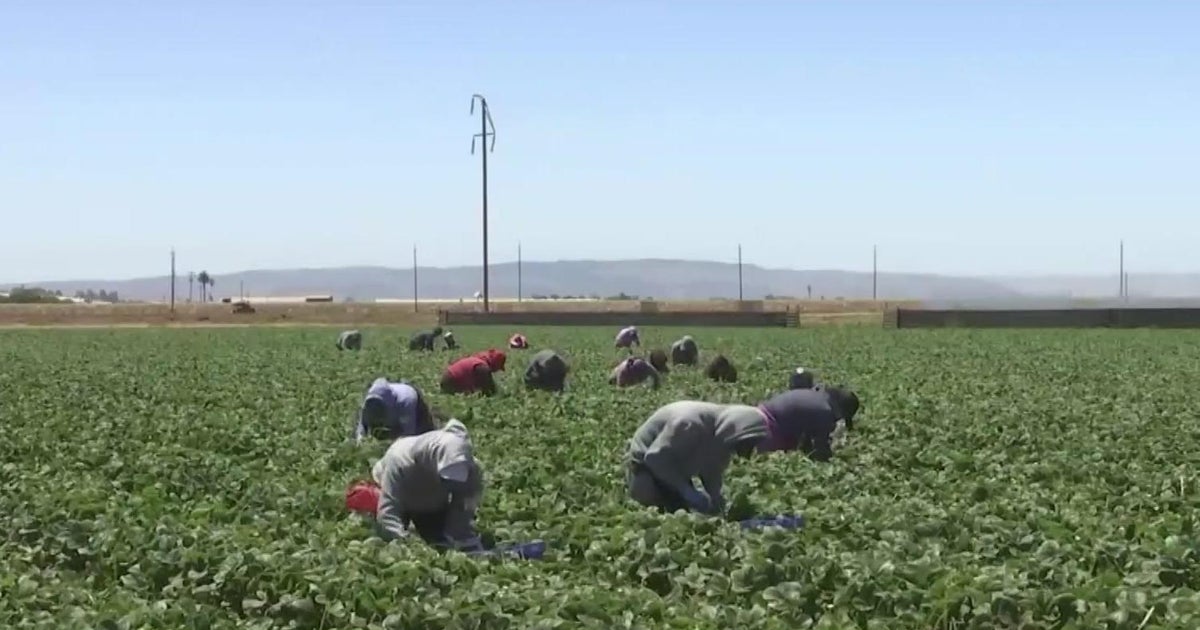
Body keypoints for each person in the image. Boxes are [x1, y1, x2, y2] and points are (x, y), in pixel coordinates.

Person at [624, 387, 860, 514]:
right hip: (645, 474)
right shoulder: (689, 422)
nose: (742, 453)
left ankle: (680, 499)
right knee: (669, 515)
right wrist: (688, 492)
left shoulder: (721, 434)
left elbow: (711, 467)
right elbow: (655, 458)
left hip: (672, 472)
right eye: (744, 446)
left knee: (695, 515)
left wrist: (716, 497)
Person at [370, 419, 485, 550]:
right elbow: (388, 511)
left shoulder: (470, 468)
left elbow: (464, 504)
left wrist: (461, 536)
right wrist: (406, 543)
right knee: (387, 535)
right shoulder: (400, 460)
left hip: (430, 499)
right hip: (397, 493)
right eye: (445, 480)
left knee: (435, 537)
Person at [352, 378, 438, 443]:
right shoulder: (370, 402)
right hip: (392, 414)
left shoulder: (406, 401)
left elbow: (408, 433)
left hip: (414, 407)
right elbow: (362, 426)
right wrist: (361, 443)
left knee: (423, 435)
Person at [441, 349, 507, 396]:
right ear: (495, 363)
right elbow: (489, 389)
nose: (496, 371)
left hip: (448, 378)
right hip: (451, 381)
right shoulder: (483, 368)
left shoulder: (478, 361)